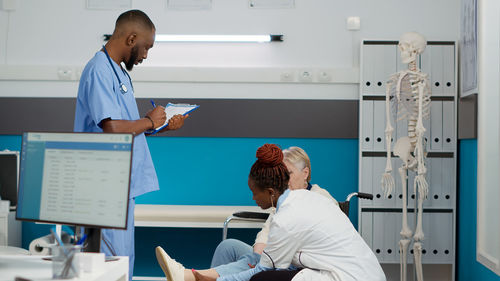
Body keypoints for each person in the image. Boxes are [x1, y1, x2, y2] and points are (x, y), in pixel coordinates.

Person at [156, 144, 385, 281]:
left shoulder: (290, 216)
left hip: (347, 277)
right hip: (336, 269)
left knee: (262, 278)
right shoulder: (297, 201)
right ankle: (190, 275)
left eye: (254, 193)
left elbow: (263, 269)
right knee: (255, 263)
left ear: (270, 191)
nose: (253, 199)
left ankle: (191, 276)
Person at [73, 9, 187, 280]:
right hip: (102, 188)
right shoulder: (99, 69)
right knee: (110, 267)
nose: (146, 54)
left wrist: (160, 126)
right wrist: (148, 120)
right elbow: (112, 128)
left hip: (119, 187)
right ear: (132, 38)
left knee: (121, 263)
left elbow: (126, 128)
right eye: (146, 47)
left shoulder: (120, 74)